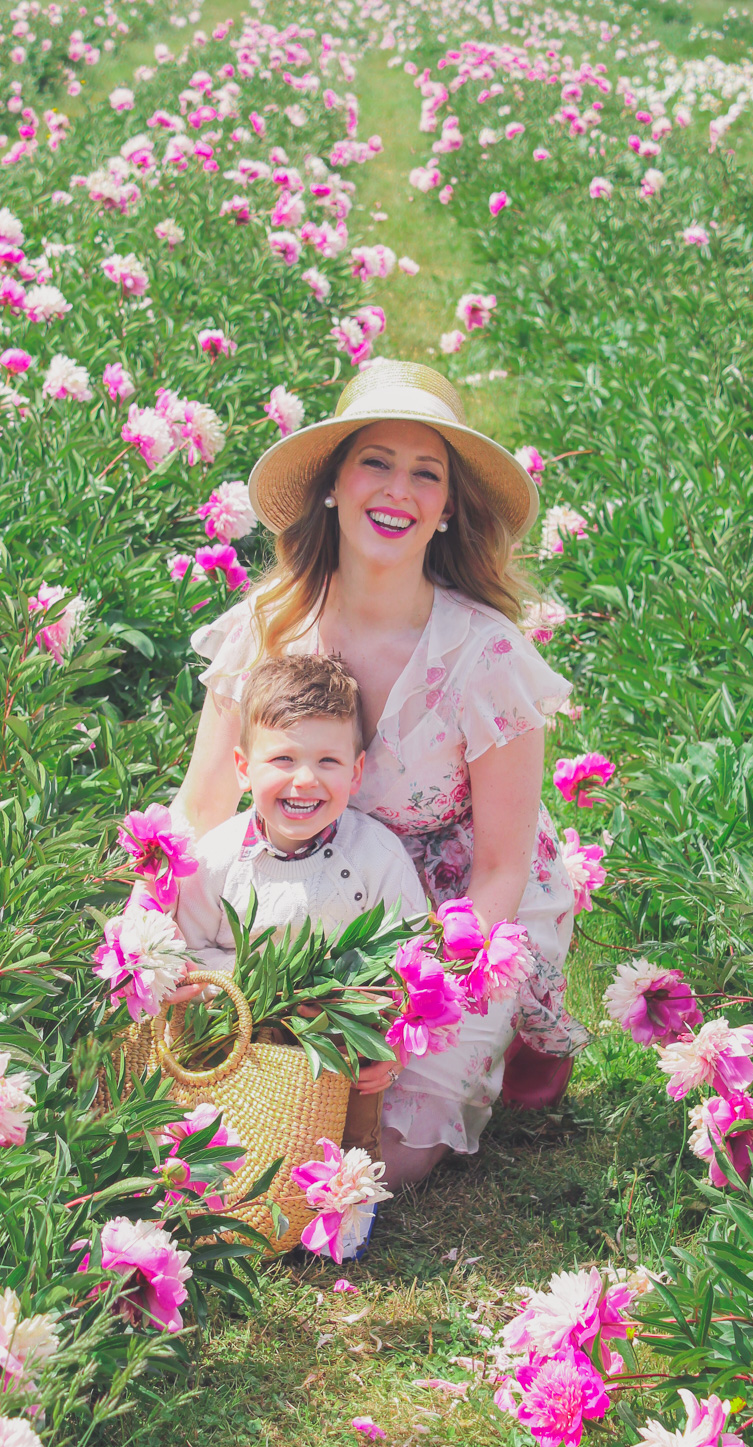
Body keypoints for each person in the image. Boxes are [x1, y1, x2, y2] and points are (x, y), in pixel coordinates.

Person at [171, 360, 585, 1191]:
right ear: (332, 484)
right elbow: (204, 802)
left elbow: (502, 866)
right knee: (202, 1101)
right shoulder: (270, 624)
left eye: (425, 473)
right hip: (287, 889)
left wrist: (416, 986)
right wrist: (151, 941)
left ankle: (500, 1049)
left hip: (443, 914)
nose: (398, 489)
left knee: (369, 1161)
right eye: (376, 462)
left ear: (445, 510)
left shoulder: (486, 656)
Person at [173, 652, 427, 1160]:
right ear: (244, 769)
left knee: (349, 1142)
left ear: (356, 773)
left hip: (339, 1046)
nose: (306, 780)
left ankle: (341, 1216)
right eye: (284, 760)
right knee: (241, 1143)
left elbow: (414, 960)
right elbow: (186, 950)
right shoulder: (218, 860)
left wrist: (395, 1050)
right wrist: (243, 982)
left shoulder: (375, 856)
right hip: (237, 1041)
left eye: (327, 762)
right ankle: (236, 1196)